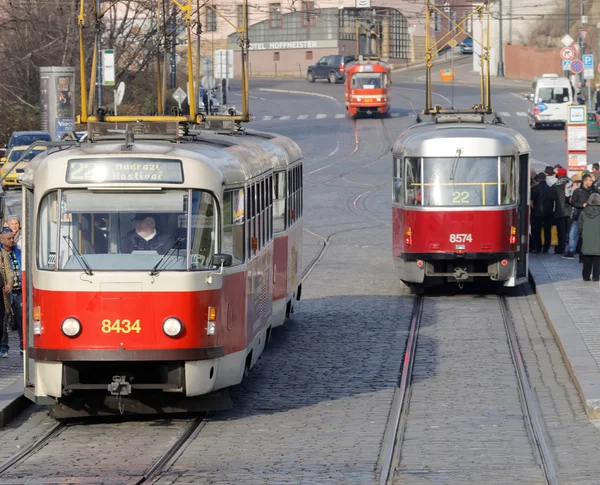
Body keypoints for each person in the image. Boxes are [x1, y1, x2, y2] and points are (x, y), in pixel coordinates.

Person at [564, 173, 596, 259]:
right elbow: (573, 203)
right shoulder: (577, 191)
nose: (591, 182)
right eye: (590, 181)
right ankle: (571, 251)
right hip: (578, 216)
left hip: (589, 217)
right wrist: (582, 205)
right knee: (573, 234)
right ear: (585, 181)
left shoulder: (593, 191)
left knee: (587, 235)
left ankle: (587, 251)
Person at [0, 229, 18, 357]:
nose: (12, 240)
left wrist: (9, 284)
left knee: (3, 320)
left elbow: (9, 271)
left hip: (1, 293)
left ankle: (3, 347)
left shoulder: (2, 254)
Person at [530, 172, 556, 253]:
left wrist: (532, 209)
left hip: (537, 213)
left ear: (538, 179)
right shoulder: (551, 188)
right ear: (545, 178)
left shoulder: (534, 189)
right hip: (549, 213)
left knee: (537, 231)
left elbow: (531, 201)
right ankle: (546, 247)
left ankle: (538, 247)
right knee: (547, 230)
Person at [578, 193, 600, 281]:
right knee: (597, 259)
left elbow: (579, 225)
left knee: (587, 258)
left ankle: (586, 276)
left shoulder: (584, 212)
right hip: (598, 238)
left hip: (586, 238)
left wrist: (581, 234)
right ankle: (596, 276)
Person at [553, 168, 571, 254]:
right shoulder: (570, 183)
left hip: (559, 211)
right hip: (569, 210)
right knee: (569, 231)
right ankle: (571, 248)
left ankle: (561, 248)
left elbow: (552, 198)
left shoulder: (555, 185)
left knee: (560, 231)